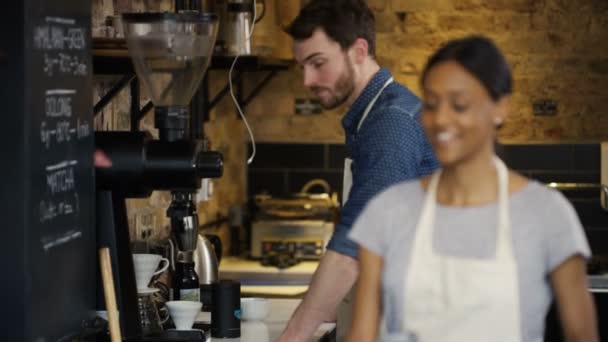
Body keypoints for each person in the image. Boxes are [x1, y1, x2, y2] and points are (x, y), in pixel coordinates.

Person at [347, 35, 598, 342]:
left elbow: (582, 336)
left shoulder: (546, 214)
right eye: (431, 104)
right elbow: (362, 336)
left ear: (501, 108)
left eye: (460, 105)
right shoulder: (387, 213)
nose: (440, 119)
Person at [277, 1, 439, 341]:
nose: (307, 80)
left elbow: (356, 245)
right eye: (302, 66)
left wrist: (294, 335)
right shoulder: (374, 117)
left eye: (318, 63)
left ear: (359, 51)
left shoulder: (390, 123)